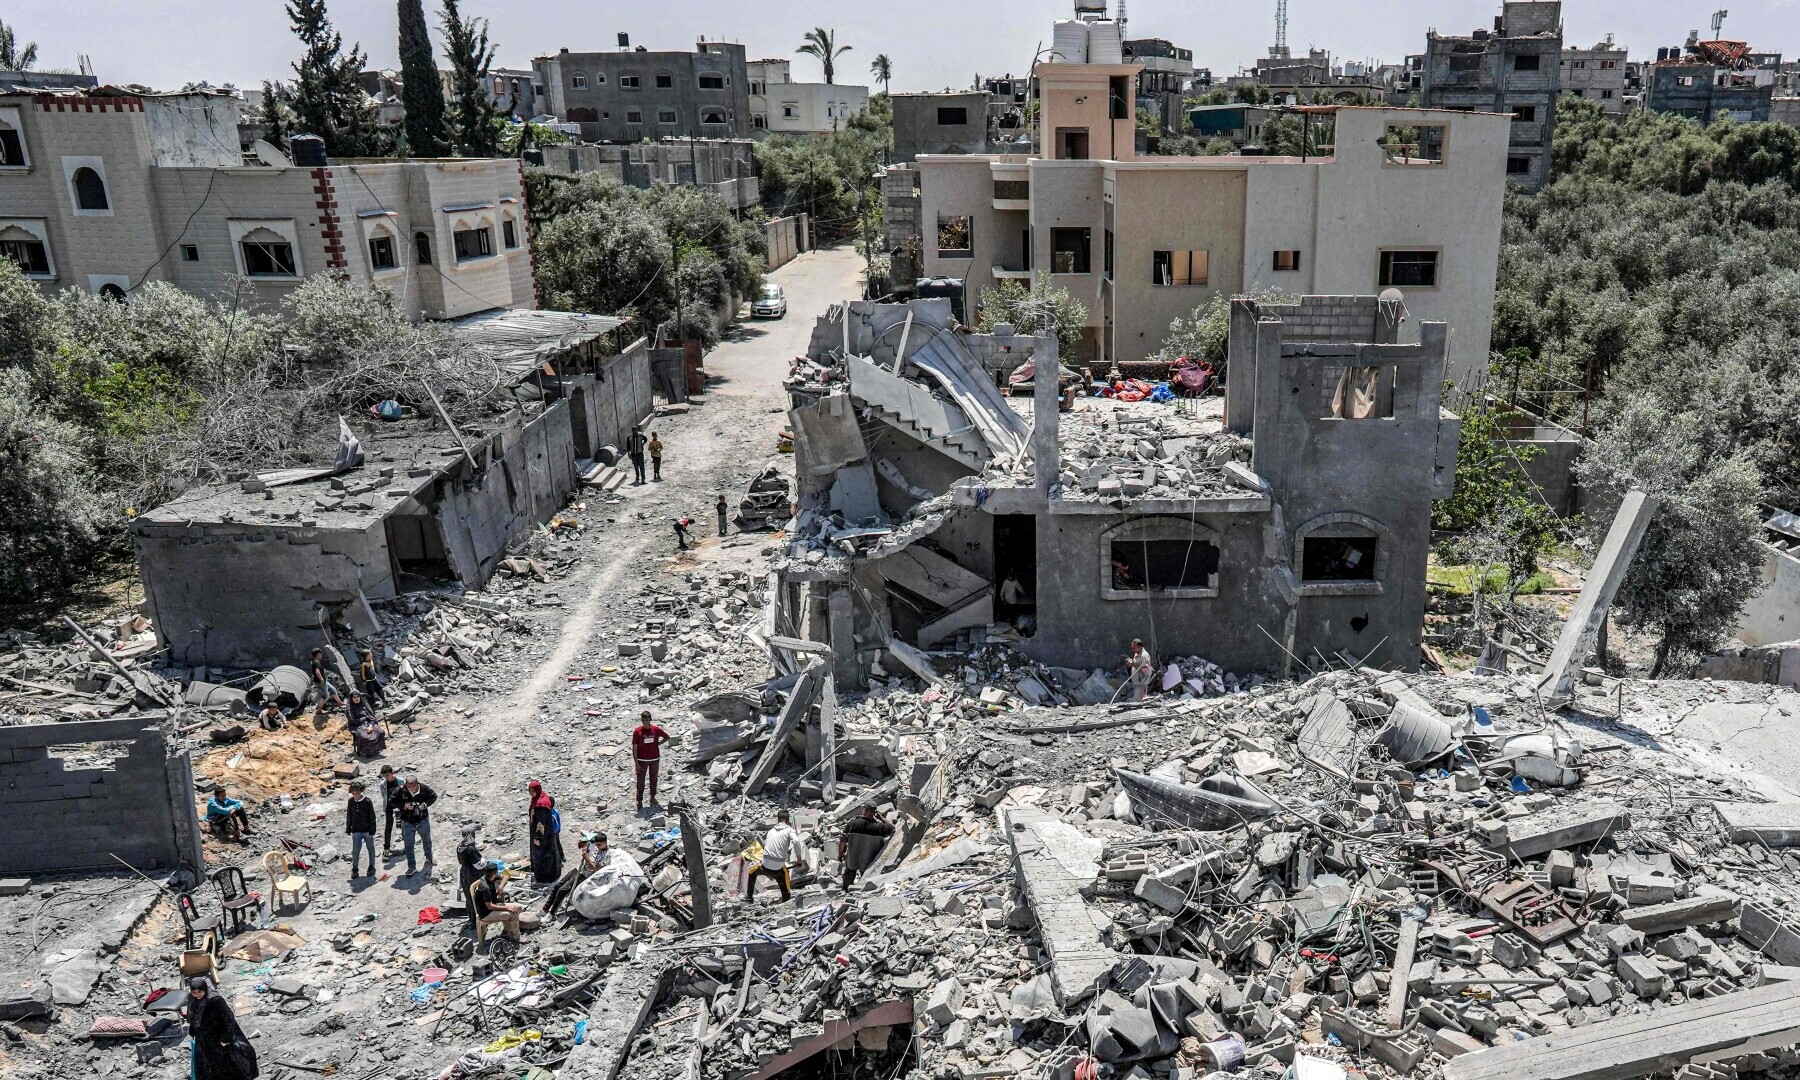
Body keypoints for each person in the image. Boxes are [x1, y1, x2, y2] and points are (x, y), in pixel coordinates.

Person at [186, 976, 256, 1080]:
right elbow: (193, 1014)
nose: (197, 995)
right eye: (194, 992)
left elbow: (228, 1018)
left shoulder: (215, 999)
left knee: (224, 1062)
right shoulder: (192, 998)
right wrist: (192, 1031)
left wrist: (225, 1038)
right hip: (203, 1037)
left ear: (204, 989)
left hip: (217, 1036)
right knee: (206, 1063)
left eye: (199, 992)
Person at [747, 810, 800, 903]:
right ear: (788, 821)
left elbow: (768, 849)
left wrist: (767, 872)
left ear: (777, 820)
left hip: (765, 866)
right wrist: (799, 859)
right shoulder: (789, 830)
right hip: (778, 868)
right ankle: (786, 899)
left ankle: (749, 897)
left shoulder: (771, 831)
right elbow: (796, 841)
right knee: (785, 874)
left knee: (751, 873)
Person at [838, 806, 896, 891]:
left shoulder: (852, 824)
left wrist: (840, 853)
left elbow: (843, 840)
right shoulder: (878, 828)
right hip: (868, 862)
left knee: (847, 880)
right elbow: (893, 828)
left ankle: (845, 893)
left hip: (852, 860)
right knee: (864, 886)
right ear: (874, 812)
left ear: (864, 810)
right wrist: (881, 818)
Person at [393, 775, 438, 876]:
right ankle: (411, 867)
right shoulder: (400, 790)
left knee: (427, 840)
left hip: (422, 820)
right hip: (407, 822)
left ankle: (429, 858)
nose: (411, 789)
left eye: (413, 787)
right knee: (408, 846)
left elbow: (433, 796)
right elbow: (392, 801)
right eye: (409, 787)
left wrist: (425, 804)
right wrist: (404, 806)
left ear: (417, 784)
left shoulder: (424, 788)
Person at [471, 862, 523, 942]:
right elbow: (489, 906)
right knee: (514, 913)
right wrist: (507, 907)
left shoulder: (490, 877)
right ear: (495, 873)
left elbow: (506, 876)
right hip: (486, 913)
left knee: (518, 907)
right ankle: (516, 937)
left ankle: (506, 931)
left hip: (493, 907)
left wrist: (501, 887)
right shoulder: (485, 887)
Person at [631, 711, 670, 812]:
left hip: (654, 759)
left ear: (650, 720)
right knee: (640, 782)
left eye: (647, 720)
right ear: (641, 720)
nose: (645, 722)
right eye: (643, 720)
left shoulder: (656, 729)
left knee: (654, 779)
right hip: (642, 760)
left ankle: (652, 797)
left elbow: (667, 737)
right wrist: (636, 763)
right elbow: (634, 748)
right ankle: (639, 801)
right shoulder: (637, 732)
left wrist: (658, 743)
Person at [527, 780, 564, 885]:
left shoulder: (540, 805)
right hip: (548, 834)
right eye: (530, 791)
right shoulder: (541, 798)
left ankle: (545, 877)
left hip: (542, 837)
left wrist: (538, 837)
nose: (531, 793)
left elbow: (540, 823)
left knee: (543, 856)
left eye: (532, 791)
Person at [345, 781, 377, 880]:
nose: (355, 796)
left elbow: (372, 816)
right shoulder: (350, 801)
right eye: (353, 794)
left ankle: (372, 866)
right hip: (356, 830)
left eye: (357, 793)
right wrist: (348, 828)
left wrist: (373, 830)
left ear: (361, 791)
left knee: (370, 848)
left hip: (367, 830)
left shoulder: (367, 801)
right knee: (356, 850)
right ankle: (355, 869)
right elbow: (349, 815)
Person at [456, 826, 484, 928]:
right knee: (475, 897)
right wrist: (485, 862)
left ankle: (471, 920)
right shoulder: (470, 848)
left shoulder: (460, 846)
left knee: (468, 897)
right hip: (473, 875)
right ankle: (477, 920)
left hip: (464, 873)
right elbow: (478, 864)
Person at [309, 648, 343, 712]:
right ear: (318, 654)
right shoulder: (316, 662)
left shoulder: (314, 662)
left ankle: (339, 702)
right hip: (321, 682)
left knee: (333, 690)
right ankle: (319, 710)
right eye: (321, 654)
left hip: (323, 681)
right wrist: (321, 679)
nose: (321, 656)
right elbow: (317, 671)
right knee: (325, 696)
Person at [379, 766, 402, 854]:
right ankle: (386, 847)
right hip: (389, 806)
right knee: (388, 826)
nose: (386, 777)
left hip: (400, 805)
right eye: (384, 775)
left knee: (403, 824)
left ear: (392, 773)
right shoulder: (382, 784)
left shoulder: (400, 781)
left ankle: (407, 843)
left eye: (387, 775)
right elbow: (383, 796)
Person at [1125, 638, 1154, 702]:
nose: (1133, 650)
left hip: (1141, 683)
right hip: (1137, 682)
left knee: (1138, 702)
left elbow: (1146, 671)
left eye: (1134, 648)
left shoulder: (1144, 656)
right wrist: (1131, 663)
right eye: (1132, 647)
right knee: (1137, 700)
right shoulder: (1137, 653)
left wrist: (1133, 664)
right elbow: (1136, 664)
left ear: (1140, 647)